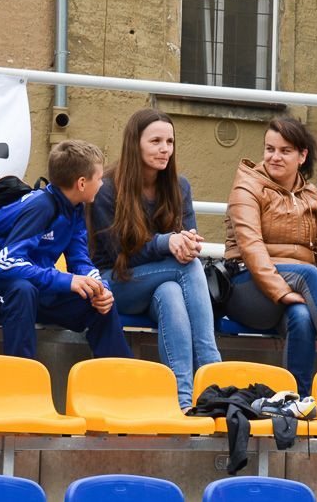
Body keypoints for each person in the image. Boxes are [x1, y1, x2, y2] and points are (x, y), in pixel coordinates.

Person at [90, 108, 221, 408]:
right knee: (182, 271)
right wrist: (166, 242)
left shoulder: (179, 186)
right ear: (135, 143)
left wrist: (186, 244)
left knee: (172, 291)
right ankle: (214, 375)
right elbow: (116, 254)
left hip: (161, 283)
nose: (165, 149)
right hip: (115, 283)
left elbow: (189, 239)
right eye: (156, 141)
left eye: (170, 142)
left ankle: (183, 402)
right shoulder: (108, 188)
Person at [224, 117, 317, 395]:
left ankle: (296, 397)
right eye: (270, 149)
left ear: (302, 156)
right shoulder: (248, 187)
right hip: (247, 284)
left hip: (296, 289)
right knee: (308, 276)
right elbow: (251, 249)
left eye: (284, 151)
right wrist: (282, 292)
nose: (275, 157)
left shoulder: (310, 195)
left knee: (302, 315)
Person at [0, 139, 132, 361]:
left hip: (31, 286)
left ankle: (119, 383)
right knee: (23, 290)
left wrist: (100, 288)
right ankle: (21, 382)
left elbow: (80, 260)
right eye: (99, 179)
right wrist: (67, 280)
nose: (101, 184)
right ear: (82, 183)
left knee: (98, 303)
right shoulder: (41, 206)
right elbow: (7, 263)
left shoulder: (75, 209)